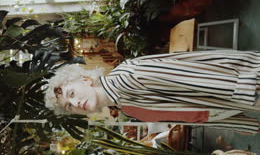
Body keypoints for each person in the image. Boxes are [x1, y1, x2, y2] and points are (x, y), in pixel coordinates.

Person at [44, 50, 260, 133]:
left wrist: (250, 93)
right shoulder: (125, 107)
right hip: (232, 104)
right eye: (69, 106)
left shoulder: (129, 76)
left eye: (72, 94)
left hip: (248, 84)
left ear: (85, 79)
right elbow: (190, 113)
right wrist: (242, 123)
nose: (75, 104)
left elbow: (193, 76)